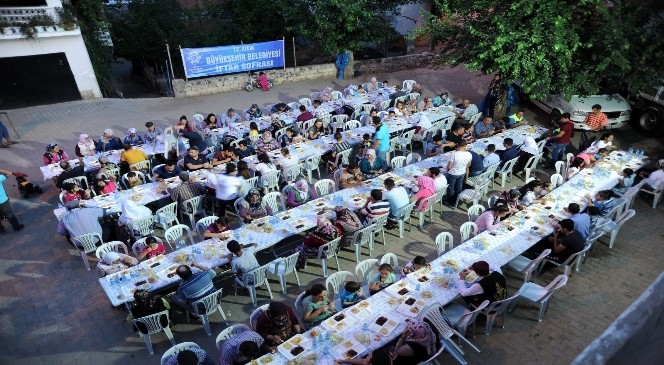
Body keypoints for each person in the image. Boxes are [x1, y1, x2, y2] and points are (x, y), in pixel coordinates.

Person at [446, 140, 472, 204]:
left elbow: (449, 167)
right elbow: (468, 165)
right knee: (459, 186)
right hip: (462, 172)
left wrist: (448, 169)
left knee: (451, 188)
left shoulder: (454, 154)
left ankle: (450, 201)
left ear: (458, 145)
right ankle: (457, 199)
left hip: (453, 173)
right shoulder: (469, 154)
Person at [0, 169, 24, 233]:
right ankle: (16, 227)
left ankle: (1, 230)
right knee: (9, 214)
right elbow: (9, 174)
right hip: (2, 201)